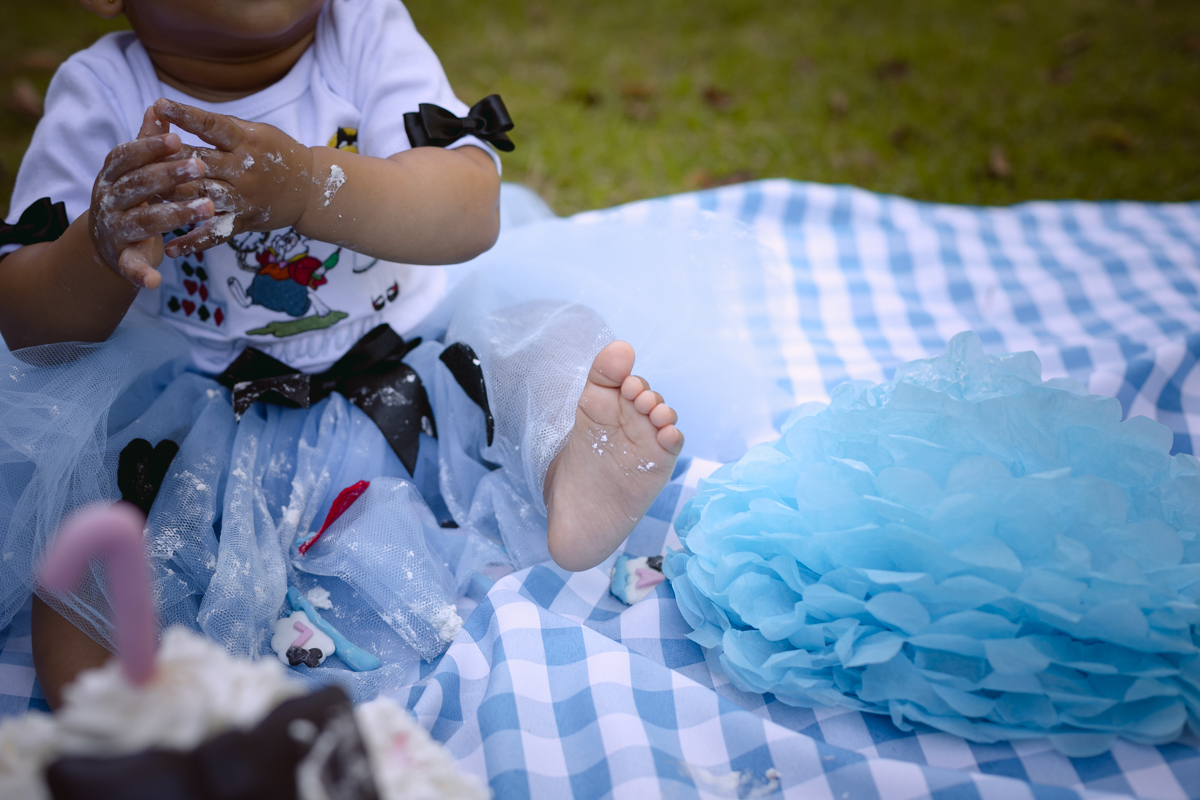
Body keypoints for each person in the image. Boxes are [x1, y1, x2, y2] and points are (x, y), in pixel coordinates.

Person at [0, 0, 682, 707]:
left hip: (413, 372)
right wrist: (98, 244)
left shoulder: (361, 31)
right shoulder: (102, 91)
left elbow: (470, 208)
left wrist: (306, 185)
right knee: (85, 540)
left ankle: (567, 464)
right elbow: (31, 331)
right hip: (198, 420)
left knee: (548, 343)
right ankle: (112, 714)